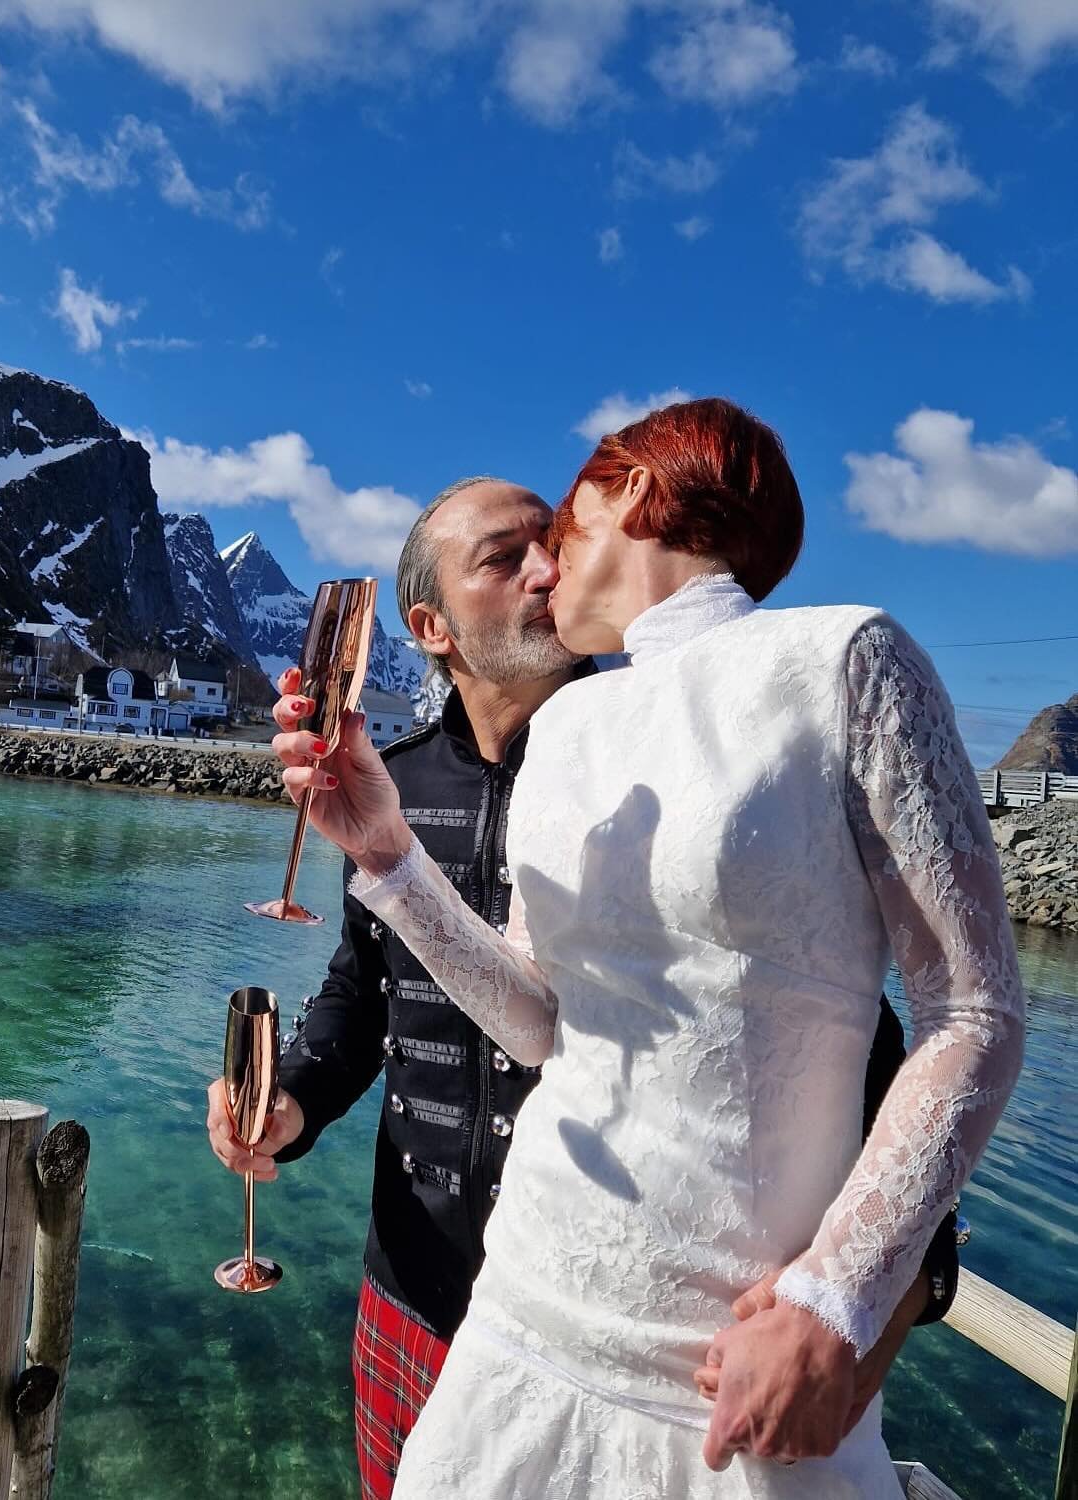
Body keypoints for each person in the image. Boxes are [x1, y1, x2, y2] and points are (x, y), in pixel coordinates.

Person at [266, 400, 1024, 1497]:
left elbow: (974, 1012)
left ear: (631, 490)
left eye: (557, 522)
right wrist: (389, 855)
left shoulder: (848, 659)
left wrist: (841, 1294)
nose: (543, 562)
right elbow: (538, 1019)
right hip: (524, 1306)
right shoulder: (570, 730)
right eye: (510, 551)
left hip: (723, 1360)